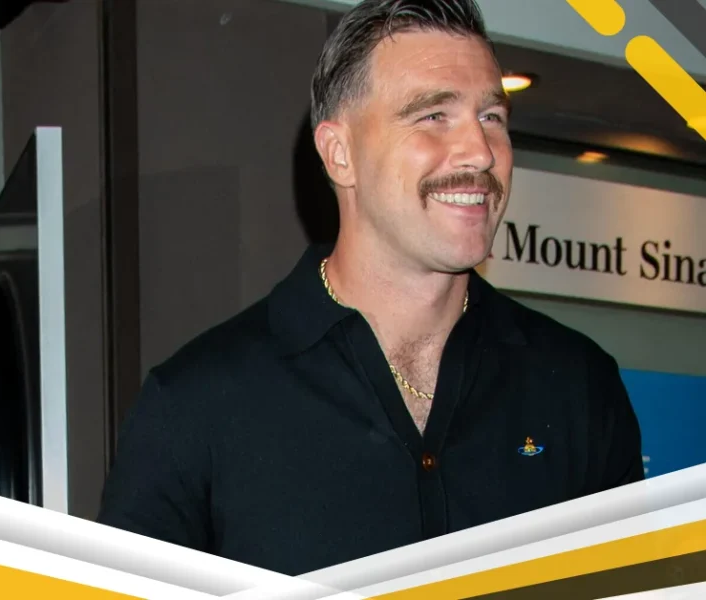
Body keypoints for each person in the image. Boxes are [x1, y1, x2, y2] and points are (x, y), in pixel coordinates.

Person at [97, 0, 644, 576]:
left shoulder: (577, 384)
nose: (481, 152)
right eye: (434, 115)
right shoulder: (196, 405)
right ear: (340, 154)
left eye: (491, 117)